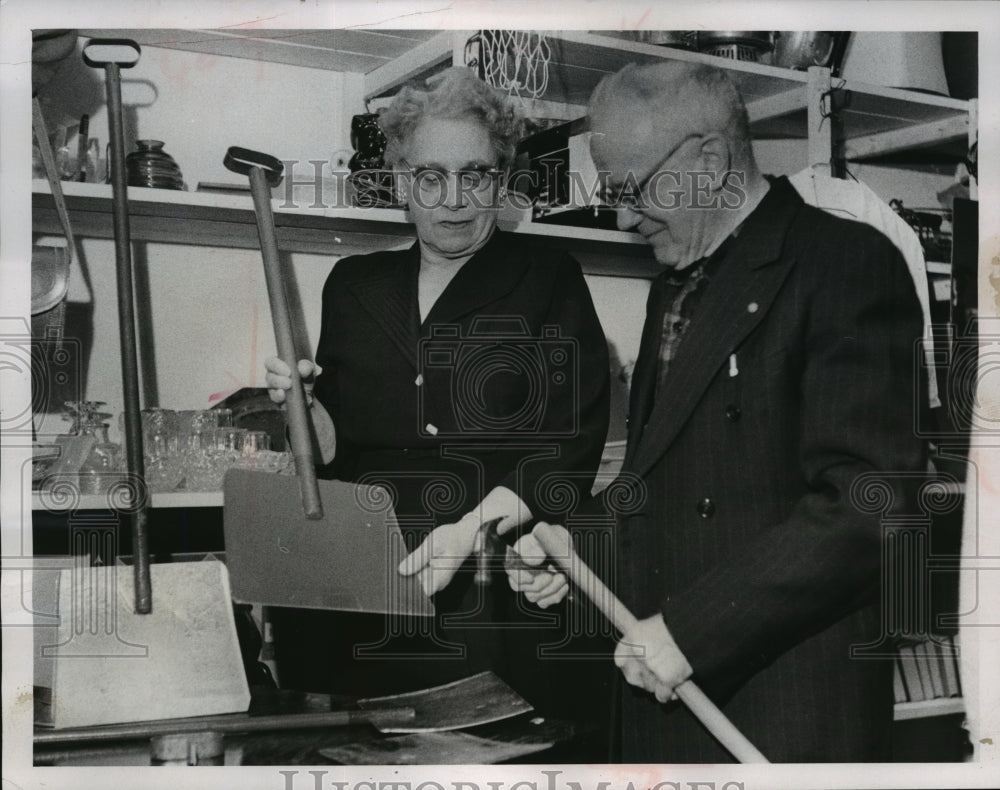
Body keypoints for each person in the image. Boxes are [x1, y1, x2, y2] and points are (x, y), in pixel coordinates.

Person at [511, 61, 927, 762]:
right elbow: (664, 485)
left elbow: (870, 503)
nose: (621, 215)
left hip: (779, 712)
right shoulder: (673, 285)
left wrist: (694, 630)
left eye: (631, 189)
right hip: (669, 699)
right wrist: (578, 554)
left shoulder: (843, 262)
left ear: (709, 159)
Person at [264, 68, 611, 719]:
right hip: (360, 582)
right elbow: (334, 451)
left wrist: (470, 530)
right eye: (430, 176)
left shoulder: (546, 277)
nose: (453, 198)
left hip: (488, 583)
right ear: (399, 180)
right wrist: (303, 408)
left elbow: (570, 444)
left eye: (474, 175)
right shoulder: (354, 284)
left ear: (501, 179)